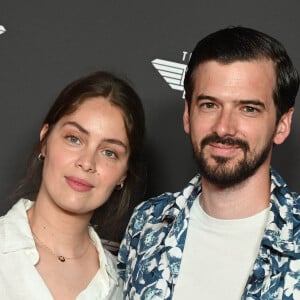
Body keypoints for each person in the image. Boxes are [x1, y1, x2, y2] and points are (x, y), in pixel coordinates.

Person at [118, 26, 300, 299]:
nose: (224, 128)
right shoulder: (147, 224)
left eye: (248, 109)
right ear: (187, 115)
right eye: (209, 105)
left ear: (282, 125)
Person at [0, 71, 145, 299]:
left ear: (123, 175)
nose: (87, 163)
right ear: (45, 141)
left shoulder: (126, 288)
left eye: (109, 152)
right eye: (74, 139)